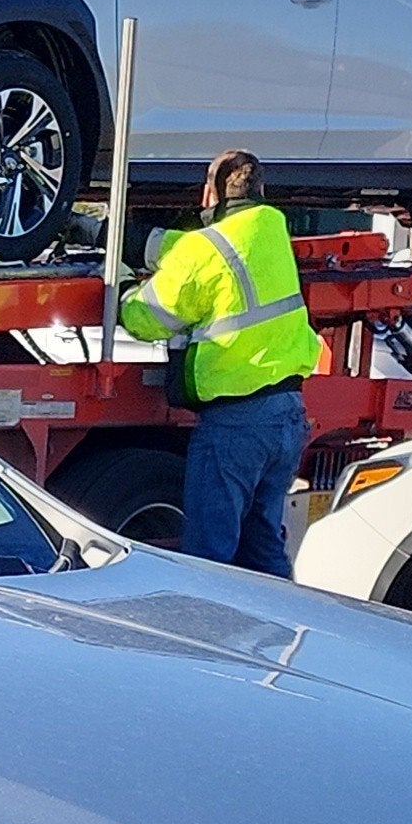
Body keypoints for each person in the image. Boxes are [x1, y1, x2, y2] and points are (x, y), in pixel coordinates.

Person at [116, 149, 323, 575]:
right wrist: (144, 242)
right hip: (287, 416)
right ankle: (276, 632)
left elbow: (150, 318)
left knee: (210, 556)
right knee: (262, 545)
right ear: (260, 191)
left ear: (207, 193)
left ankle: (204, 636)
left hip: (237, 425)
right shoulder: (272, 229)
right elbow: (213, 252)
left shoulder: (202, 249)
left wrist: (122, 291)